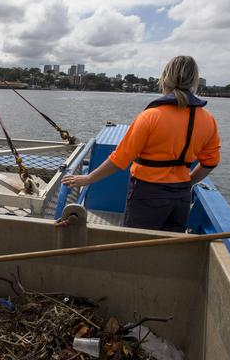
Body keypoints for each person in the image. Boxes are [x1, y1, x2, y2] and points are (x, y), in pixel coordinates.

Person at [61, 56, 220, 232]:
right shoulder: (208, 120)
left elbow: (120, 159)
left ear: (165, 79)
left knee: (136, 245)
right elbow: (210, 162)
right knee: (170, 247)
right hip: (181, 197)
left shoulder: (151, 117)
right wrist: (187, 182)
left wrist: (88, 178)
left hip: (147, 194)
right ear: (194, 81)